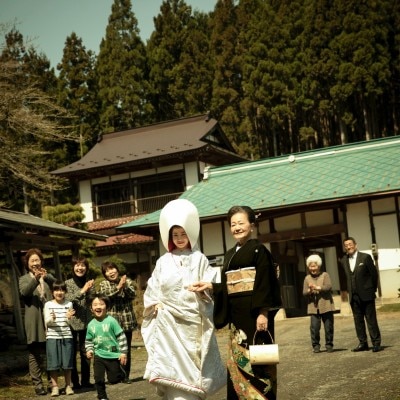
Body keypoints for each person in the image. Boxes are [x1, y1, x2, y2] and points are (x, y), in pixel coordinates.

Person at [191, 205, 282, 400]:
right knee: (237, 362)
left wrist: (263, 312)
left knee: (258, 361)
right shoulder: (230, 253)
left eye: (241, 223)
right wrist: (211, 286)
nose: (237, 227)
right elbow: (228, 285)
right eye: (233, 224)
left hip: (254, 315)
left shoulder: (259, 250)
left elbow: (264, 283)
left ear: (252, 225)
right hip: (237, 318)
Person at [141, 198, 226, 399]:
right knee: (172, 370)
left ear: (190, 234)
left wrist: (204, 290)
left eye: (183, 234)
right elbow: (152, 290)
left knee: (194, 371)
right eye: (175, 234)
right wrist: (156, 306)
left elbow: (209, 284)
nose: (179, 238)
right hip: (169, 325)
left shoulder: (200, 259)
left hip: (193, 323)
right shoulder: (163, 261)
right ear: (170, 237)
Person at [19, 248, 56, 396]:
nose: (35, 263)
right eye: (32, 260)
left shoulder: (47, 277)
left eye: (37, 260)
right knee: (35, 353)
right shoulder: (24, 278)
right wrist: (35, 278)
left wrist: (47, 277)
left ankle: (51, 383)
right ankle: (38, 384)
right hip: (33, 319)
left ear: (41, 261)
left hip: (48, 318)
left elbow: (58, 285)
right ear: (27, 263)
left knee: (50, 351)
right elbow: (25, 292)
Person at [340, 237, 382, 352]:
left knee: (371, 319)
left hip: (367, 294)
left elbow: (374, 275)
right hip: (353, 296)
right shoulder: (343, 260)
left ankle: (376, 343)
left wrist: (371, 289)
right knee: (358, 320)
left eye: (350, 244)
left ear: (355, 245)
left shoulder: (365, 257)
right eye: (346, 245)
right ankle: (363, 343)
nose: (348, 247)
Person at [99, 261, 137, 383]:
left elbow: (132, 295)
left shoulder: (128, 281)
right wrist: (118, 287)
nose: (111, 272)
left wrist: (124, 286)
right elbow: (106, 297)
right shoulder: (104, 284)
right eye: (107, 271)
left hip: (127, 322)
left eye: (113, 269)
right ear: (105, 274)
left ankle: (125, 375)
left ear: (117, 270)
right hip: (111, 324)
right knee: (112, 349)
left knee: (126, 350)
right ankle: (114, 376)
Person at [85, 293, 128, 400]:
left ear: (107, 307)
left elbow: (121, 336)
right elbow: (89, 340)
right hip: (99, 354)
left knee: (113, 379)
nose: (98, 307)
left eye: (101, 304)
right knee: (98, 378)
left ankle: (121, 374)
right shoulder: (91, 324)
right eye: (95, 305)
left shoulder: (111, 321)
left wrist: (123, 353)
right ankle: (102, 397)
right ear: (91, 308)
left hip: (113, 355)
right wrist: (89, 350)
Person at [65, 256, 95, 390]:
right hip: (71, 322)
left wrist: (90, 292)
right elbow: (68, 299)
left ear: (86, 268)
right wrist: (82, 290)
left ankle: (86, 381)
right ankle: (74, 382)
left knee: (86, 352)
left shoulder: (89, 283)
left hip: (87, 322)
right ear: (73, 267)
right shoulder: (68, 283)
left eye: (82, 265)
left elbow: (92, 301)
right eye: (77, 265)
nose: (80, 267)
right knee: (71, 353)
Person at [43, 280, 75, 396]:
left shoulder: (69, 304)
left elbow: (68, 322)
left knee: (67, 363)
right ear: (52, 292)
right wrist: (52, 318)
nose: (59, 292)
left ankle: (68, 386)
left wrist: (68, 317)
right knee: (53, 363)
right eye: (56, 290)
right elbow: (47, 322)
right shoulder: (48, 305)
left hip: (66, 336)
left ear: (65, 291)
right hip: (52, 337)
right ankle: (55, 387)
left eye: (62, 290)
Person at [303, 254, 335, 353]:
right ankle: (316, 345)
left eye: (314, 266)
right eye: (310, 266)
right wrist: (309, 290)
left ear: (319, 266)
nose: (313, 268)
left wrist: (318, 288)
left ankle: (329, 345)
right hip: (313, 306)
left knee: (328, 327)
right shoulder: (307, 278)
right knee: (314, 328)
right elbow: (304, 293)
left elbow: (328, 287)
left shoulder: (325, 275)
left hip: (326, 304)